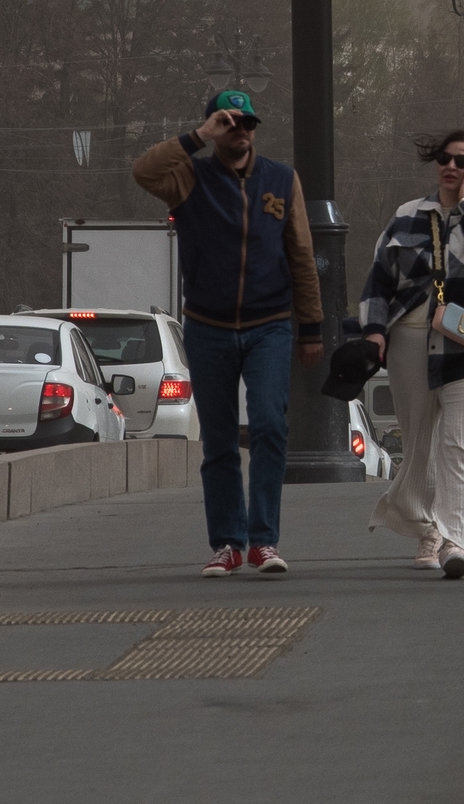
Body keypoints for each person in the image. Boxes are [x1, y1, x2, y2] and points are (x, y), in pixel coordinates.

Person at [132, 90, 324, 577]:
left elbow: (300, 253)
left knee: (268, 425)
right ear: (215, 126)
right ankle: (227, 544)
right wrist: (197, 138)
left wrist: (311, 328)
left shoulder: (280, 179)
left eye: (247, 123)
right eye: (229, 122)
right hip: (208, 327)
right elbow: (143, 171)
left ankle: (264, 541)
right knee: (218, 440)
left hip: (270, 325)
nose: (240, 131)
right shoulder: (188, 177)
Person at [359, 130, 464, 579]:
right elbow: (379, 280)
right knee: (420, 443)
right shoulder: (407, 215)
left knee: (459, 445)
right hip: (410, 342)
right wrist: (373, 332)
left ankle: (453, 542)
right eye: (446, 159)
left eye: (463, 161)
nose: (452, 167)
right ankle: (427, 528)